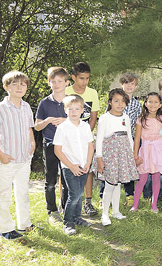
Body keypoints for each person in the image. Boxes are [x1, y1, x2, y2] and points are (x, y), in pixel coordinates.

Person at [0, 71, 36, 240]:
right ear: (6, 87)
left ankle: (24, 223)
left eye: (23, 84)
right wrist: (1, 155)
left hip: (24, 159)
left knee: (23, 193)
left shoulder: (26, 107)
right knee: (5, 194)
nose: (19, 87)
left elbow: (29, 127)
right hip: (7, 161)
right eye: (15, 84)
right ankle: (5, 228)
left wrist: (33, 143)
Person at [95, 89, 139, 226]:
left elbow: (129, 137)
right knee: (109, 185)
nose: (120, 104)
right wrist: (99, 158)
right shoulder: (104, 118)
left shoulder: (126, 117)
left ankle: (116, 211)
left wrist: (132, 155)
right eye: (116, 101)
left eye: (123, 101)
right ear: (110, 102)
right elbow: (99, 139)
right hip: (110, 156)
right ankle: (104, 215)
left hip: (123, 154)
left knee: (118, 183)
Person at [53, 95, 94, 235]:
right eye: (70, 109)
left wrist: (88, 163)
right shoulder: (62, 128)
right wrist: (71, 166)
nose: (74, 112)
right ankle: (68, 222)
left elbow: (90, 146)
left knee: (80, 193)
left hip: (84, 166)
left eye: (77, 109)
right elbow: (57, 150)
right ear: (65, 111)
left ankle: (77, 217)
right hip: (70, 168)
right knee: (74, 194)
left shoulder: (85, 126)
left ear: (82, 110)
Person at [34, 67, 69, 220]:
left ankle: (67, 208)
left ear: (67, 83)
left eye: (60, 81)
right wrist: (47, 121)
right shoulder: (44, 103)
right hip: (49, 143)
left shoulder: (72, 101)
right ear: (49, 83)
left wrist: (67, 121)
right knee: (50, 179)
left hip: (68, 146)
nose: (56, 84)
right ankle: (51, 210)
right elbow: (36, 126)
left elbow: (81, 124)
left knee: (67, 178)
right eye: (53, 81)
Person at [66, 62, 99, 216]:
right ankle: (64, 202)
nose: (85, 82)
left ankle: (87, 202)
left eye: (87, 78)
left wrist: (85, 136)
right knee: (67, 169)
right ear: (73, 77)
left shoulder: (92, 93)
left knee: (88, 169)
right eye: (81, 78)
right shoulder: (65, 92)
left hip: (85, 138)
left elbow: (93, 117)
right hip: (68, 139)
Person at [131, 92, 162, 213]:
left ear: (160, 105)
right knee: (142, 179)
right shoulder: (140, 120)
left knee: (156, 178)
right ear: (146, 103)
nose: (153, 104)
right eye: (150, 102)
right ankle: (135, 205)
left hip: (158, 151)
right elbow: (137, 138)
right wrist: (135, 154)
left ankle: (154, 205)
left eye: (156, 102)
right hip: (145, 152)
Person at [143, 77, 162, 201]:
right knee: (148, 167)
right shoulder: (154, 103)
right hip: (150, 141)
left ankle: (159, 194)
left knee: (160, 168)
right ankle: (147, 194)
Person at [118, 72, 142, 206]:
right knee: (112, 166)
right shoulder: (115, 101)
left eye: (132, 84)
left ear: (136, 86)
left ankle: (129, 195)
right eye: (126, 83)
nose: (129, 86)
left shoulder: (138, 105)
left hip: (129, 139)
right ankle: (104, 195)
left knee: (128, 166)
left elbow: (139, 125)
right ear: (122, 84)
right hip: (114, 138)